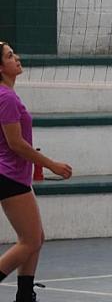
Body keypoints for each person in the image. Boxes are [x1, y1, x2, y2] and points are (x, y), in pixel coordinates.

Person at [0, 42, 73, 302]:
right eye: (10, 56)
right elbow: (16, 143)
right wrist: (51, 164)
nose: (17, 58)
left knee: (35, 238)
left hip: (14, 175)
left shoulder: (7, 94)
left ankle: (24, 294)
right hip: (9, 175)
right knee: (30, 241)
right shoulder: (5, 97)